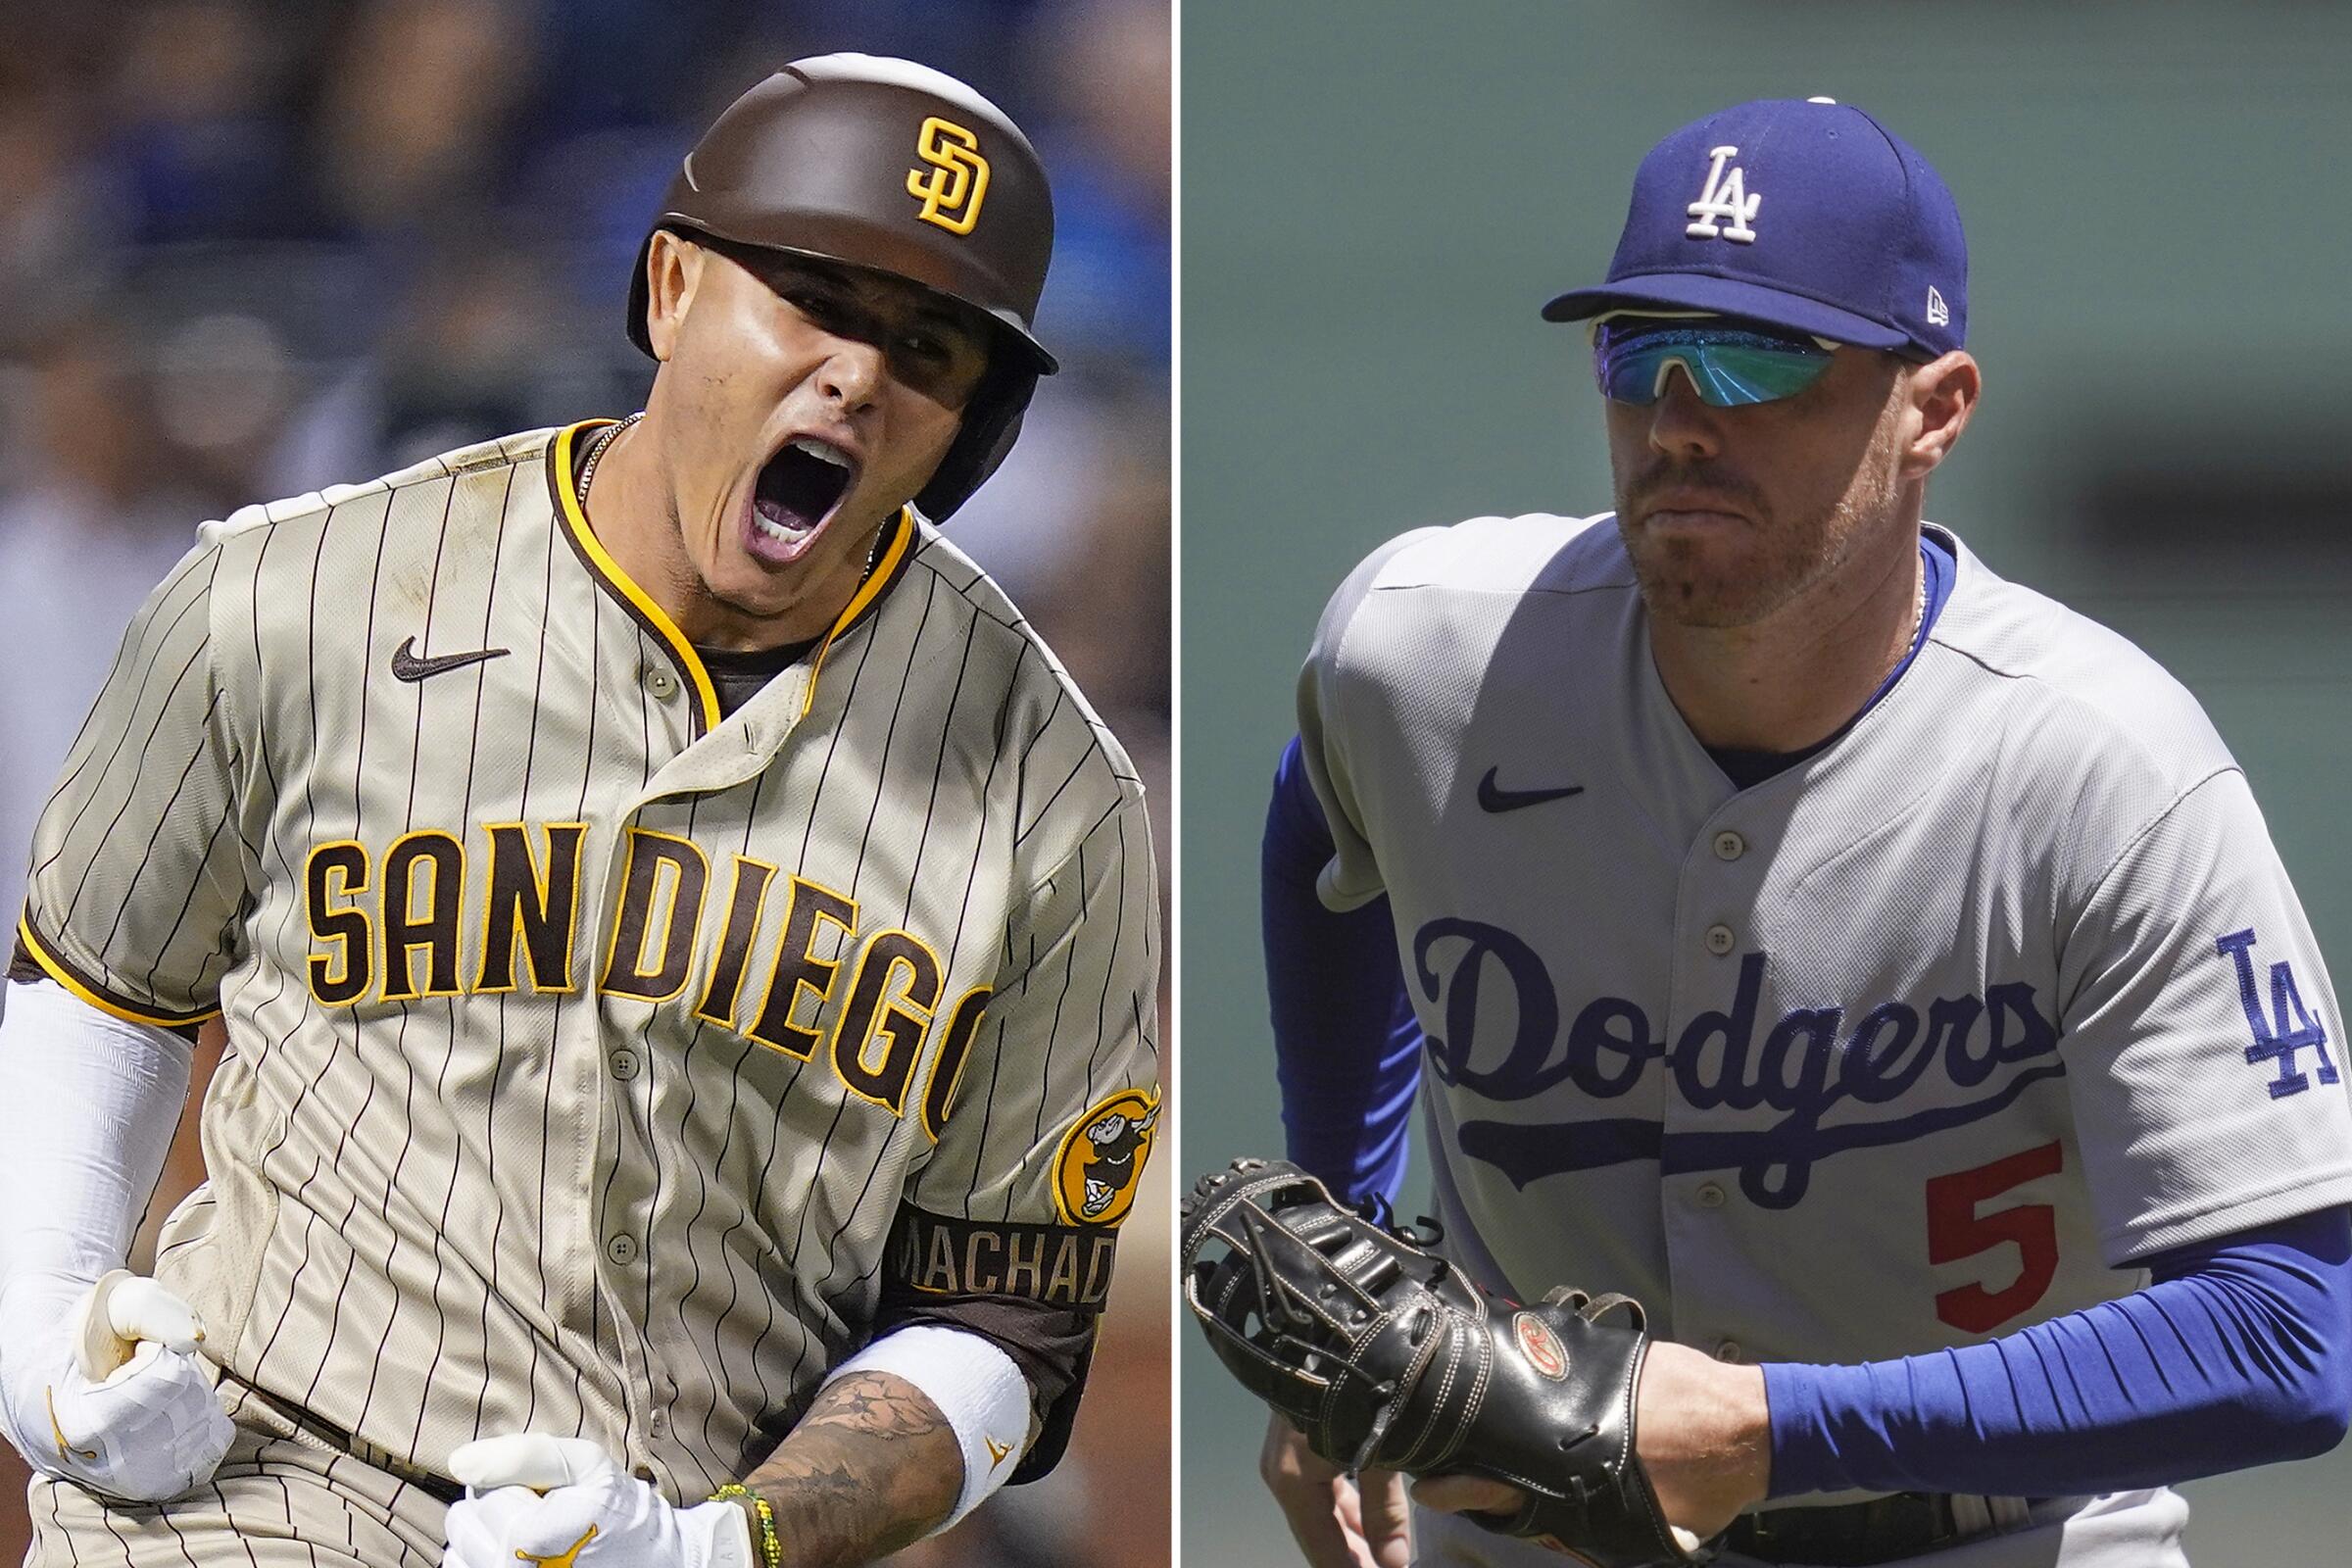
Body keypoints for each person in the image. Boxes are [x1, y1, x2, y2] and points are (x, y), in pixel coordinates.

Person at [0, 54, 1159, 1568]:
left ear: (971, 422)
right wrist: (42, 1343)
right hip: (255, 1475)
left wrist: (718, 1547)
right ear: (673, 290)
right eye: (813, 300)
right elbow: (98, 991)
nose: (859, 376)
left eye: (928, 345)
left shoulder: (1054, 797)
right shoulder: (286, 599)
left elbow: (1002, 1319)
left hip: (665, 1517)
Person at [1254, 97, 2351, 1567]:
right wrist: (1355, 1233)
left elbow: (2292, 1332)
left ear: (1937, 407)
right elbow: (1323, 820)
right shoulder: (1427, 654)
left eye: (1765, 355)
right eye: (1640, 350)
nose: (1685, 415)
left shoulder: (2106, 771)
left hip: (1996, 1537)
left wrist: (1772, 1433)